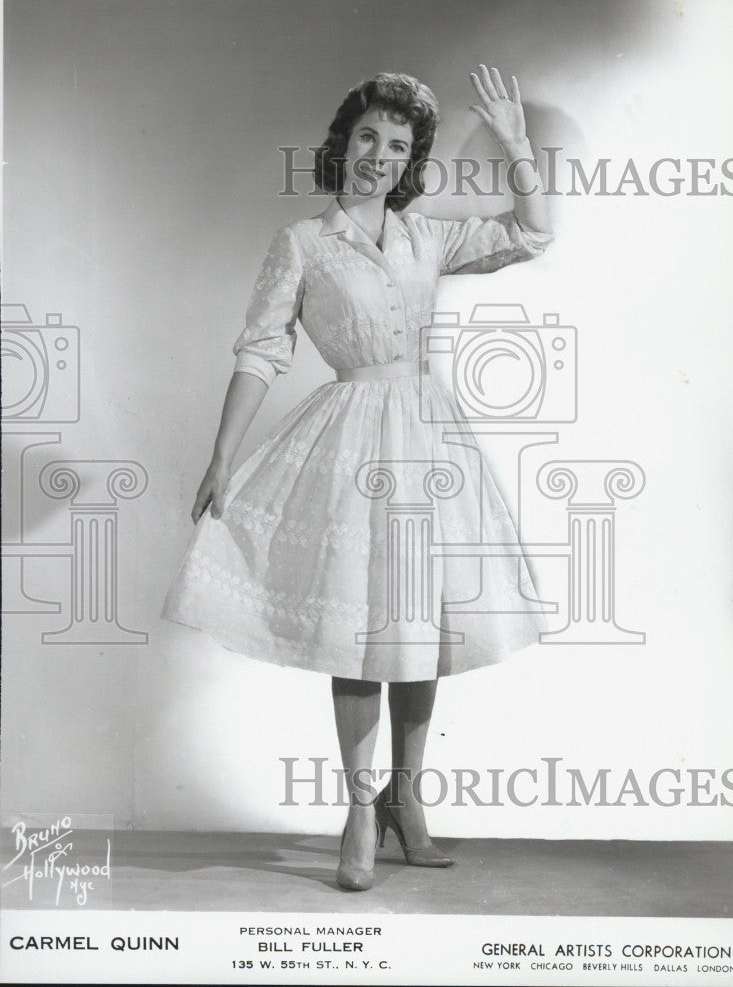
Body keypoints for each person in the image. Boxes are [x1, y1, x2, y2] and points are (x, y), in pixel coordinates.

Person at [161, 66, 553, 891]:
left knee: (420, 627)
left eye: (398, 146)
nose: (379, 156)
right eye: (368, 138)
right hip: (350, 442)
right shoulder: (303, 243)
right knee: (362, 631)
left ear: (411, 161)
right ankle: (359, 806)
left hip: (429, 441)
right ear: (344, 144)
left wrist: (518, 145)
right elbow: (263, 350)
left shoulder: (425, 234)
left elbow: (531, 232)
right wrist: (222, 456)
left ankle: (409, 803)